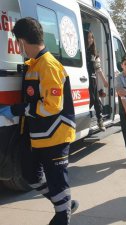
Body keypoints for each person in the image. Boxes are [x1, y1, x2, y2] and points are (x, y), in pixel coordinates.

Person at [0, 17, 78, 225]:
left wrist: (18, 109)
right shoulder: (34, 64)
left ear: (22, 41)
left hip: (55, 134)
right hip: (39, 134)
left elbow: (52, 106)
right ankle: (64, 203)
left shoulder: (49, 65)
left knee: (57, 180)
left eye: (18, 43)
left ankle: (63, 214)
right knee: (30, 175)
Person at [84, 30, 109, 131]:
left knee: (95, 99)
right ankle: (93, 119)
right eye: (88, 37)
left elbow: (98, 68)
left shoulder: (94, 52)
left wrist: (104, 81)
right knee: (92, 100)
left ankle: (99, 120)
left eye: (91, 37)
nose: (90, 40)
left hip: (92, 79)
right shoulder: (81, 49)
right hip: (83, 78)